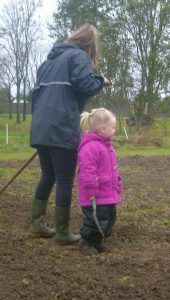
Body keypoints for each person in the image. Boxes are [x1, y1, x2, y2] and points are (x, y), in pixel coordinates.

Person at [30, 24, 110, 245]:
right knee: (64, 179)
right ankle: (63, 232)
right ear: (90, 44)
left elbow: (36, 97)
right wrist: (100, 81)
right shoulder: (78, 57)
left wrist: (42, 127)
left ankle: (36, 223)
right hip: (62, 126)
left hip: (41, 127)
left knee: (48, 176)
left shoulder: (48, 62)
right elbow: (84, 84)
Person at [77, 108, 123, 255]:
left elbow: (112, 168)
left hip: (107, 193)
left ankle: (97, 241)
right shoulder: (90, 147)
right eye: (113, 127)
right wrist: (91, 188)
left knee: (109, 218)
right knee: (96, 220)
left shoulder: (108, 147)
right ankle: (86, 241)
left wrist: (118, 182)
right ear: (103, 128)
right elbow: (87, 170)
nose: (115, 130)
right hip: (95, 195)